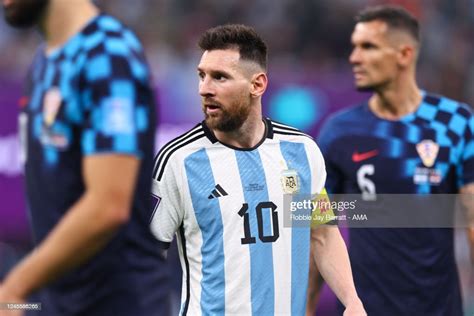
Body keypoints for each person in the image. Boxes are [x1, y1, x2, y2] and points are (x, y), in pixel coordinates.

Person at [149, 24, 366, 316]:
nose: (205, 88)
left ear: (258, 85)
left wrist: (352, 300)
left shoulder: (302, 152)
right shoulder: (178, 160)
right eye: (202, 76)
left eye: (220, 77)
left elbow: (323, 235)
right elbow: (146, 255)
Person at [0, 0, 169, 315]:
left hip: (120, 304)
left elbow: (108, 206)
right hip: (64, 302)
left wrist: (15, 286)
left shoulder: (106, 52)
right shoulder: (43, 63)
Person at [317, 5, 474, 316]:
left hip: (438, 309)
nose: (354, 58)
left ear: (404, 54)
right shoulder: (340, 131)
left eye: (368, 47)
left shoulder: (455, 123)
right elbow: (318, 228)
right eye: (354, 47)